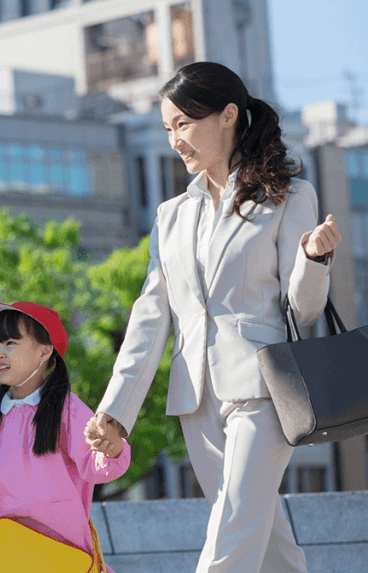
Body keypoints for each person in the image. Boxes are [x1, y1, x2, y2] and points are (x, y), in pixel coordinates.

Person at [84, 62, 341, 573]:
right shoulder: (171, 215)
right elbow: (152, 313)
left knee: (231, 531)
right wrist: (116, 409)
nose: (175, 140)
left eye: (183, 123)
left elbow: (303, 310)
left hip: (265, 389)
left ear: (228, 116)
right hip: (196, 399)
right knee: (266, 541)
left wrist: (313, 260)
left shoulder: (288, 195)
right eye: (167, 128)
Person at [0, 302, 129, 572]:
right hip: (2, 554)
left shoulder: (68, 410)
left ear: (44, 351)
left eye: (10, 343)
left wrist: (112, 448)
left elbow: (97, 464)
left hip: (60, 552)